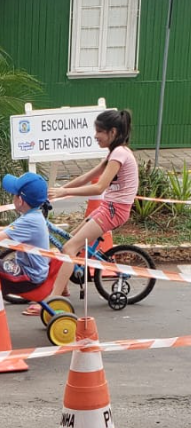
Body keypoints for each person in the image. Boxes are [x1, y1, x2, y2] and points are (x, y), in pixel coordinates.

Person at [46, 109, 138, 300]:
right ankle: (62, 286)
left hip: (114, 211)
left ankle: (53, 299)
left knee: (70, 248)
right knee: (69, 243)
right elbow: (86, 177)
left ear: (112, 132)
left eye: (99, 131)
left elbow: (98, 188)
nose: (95, 136)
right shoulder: (114, 153)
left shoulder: (119, 153)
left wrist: (65, 192)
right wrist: (55, 192)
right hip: (109, 207)